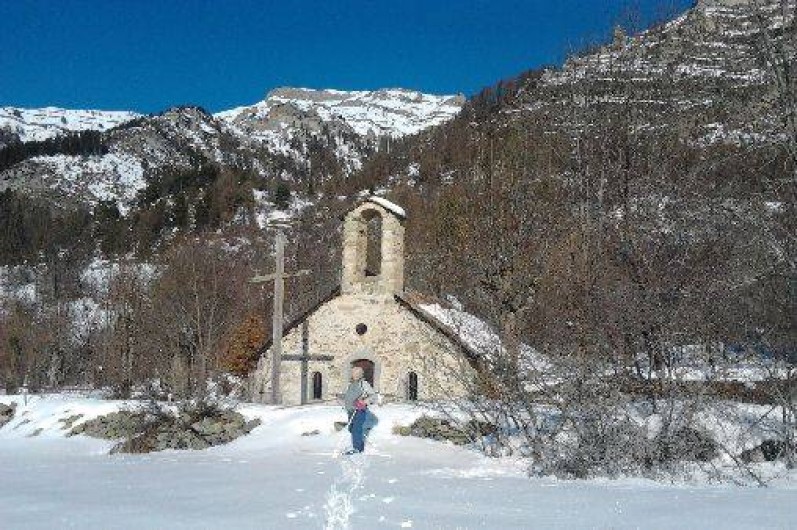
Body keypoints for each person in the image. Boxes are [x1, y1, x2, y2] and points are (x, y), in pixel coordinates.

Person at [342, 366, 377, 454]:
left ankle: (357, 448)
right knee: (351, 428)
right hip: (350, 411)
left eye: (357, 373)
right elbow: (348, 396)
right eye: (354, 373)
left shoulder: (363, 384)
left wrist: (364, 401)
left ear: (361, 374)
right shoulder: (350, 384)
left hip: (359, 410)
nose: (355, 375)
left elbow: (373, 396)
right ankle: (359, 446)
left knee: (356, 429)